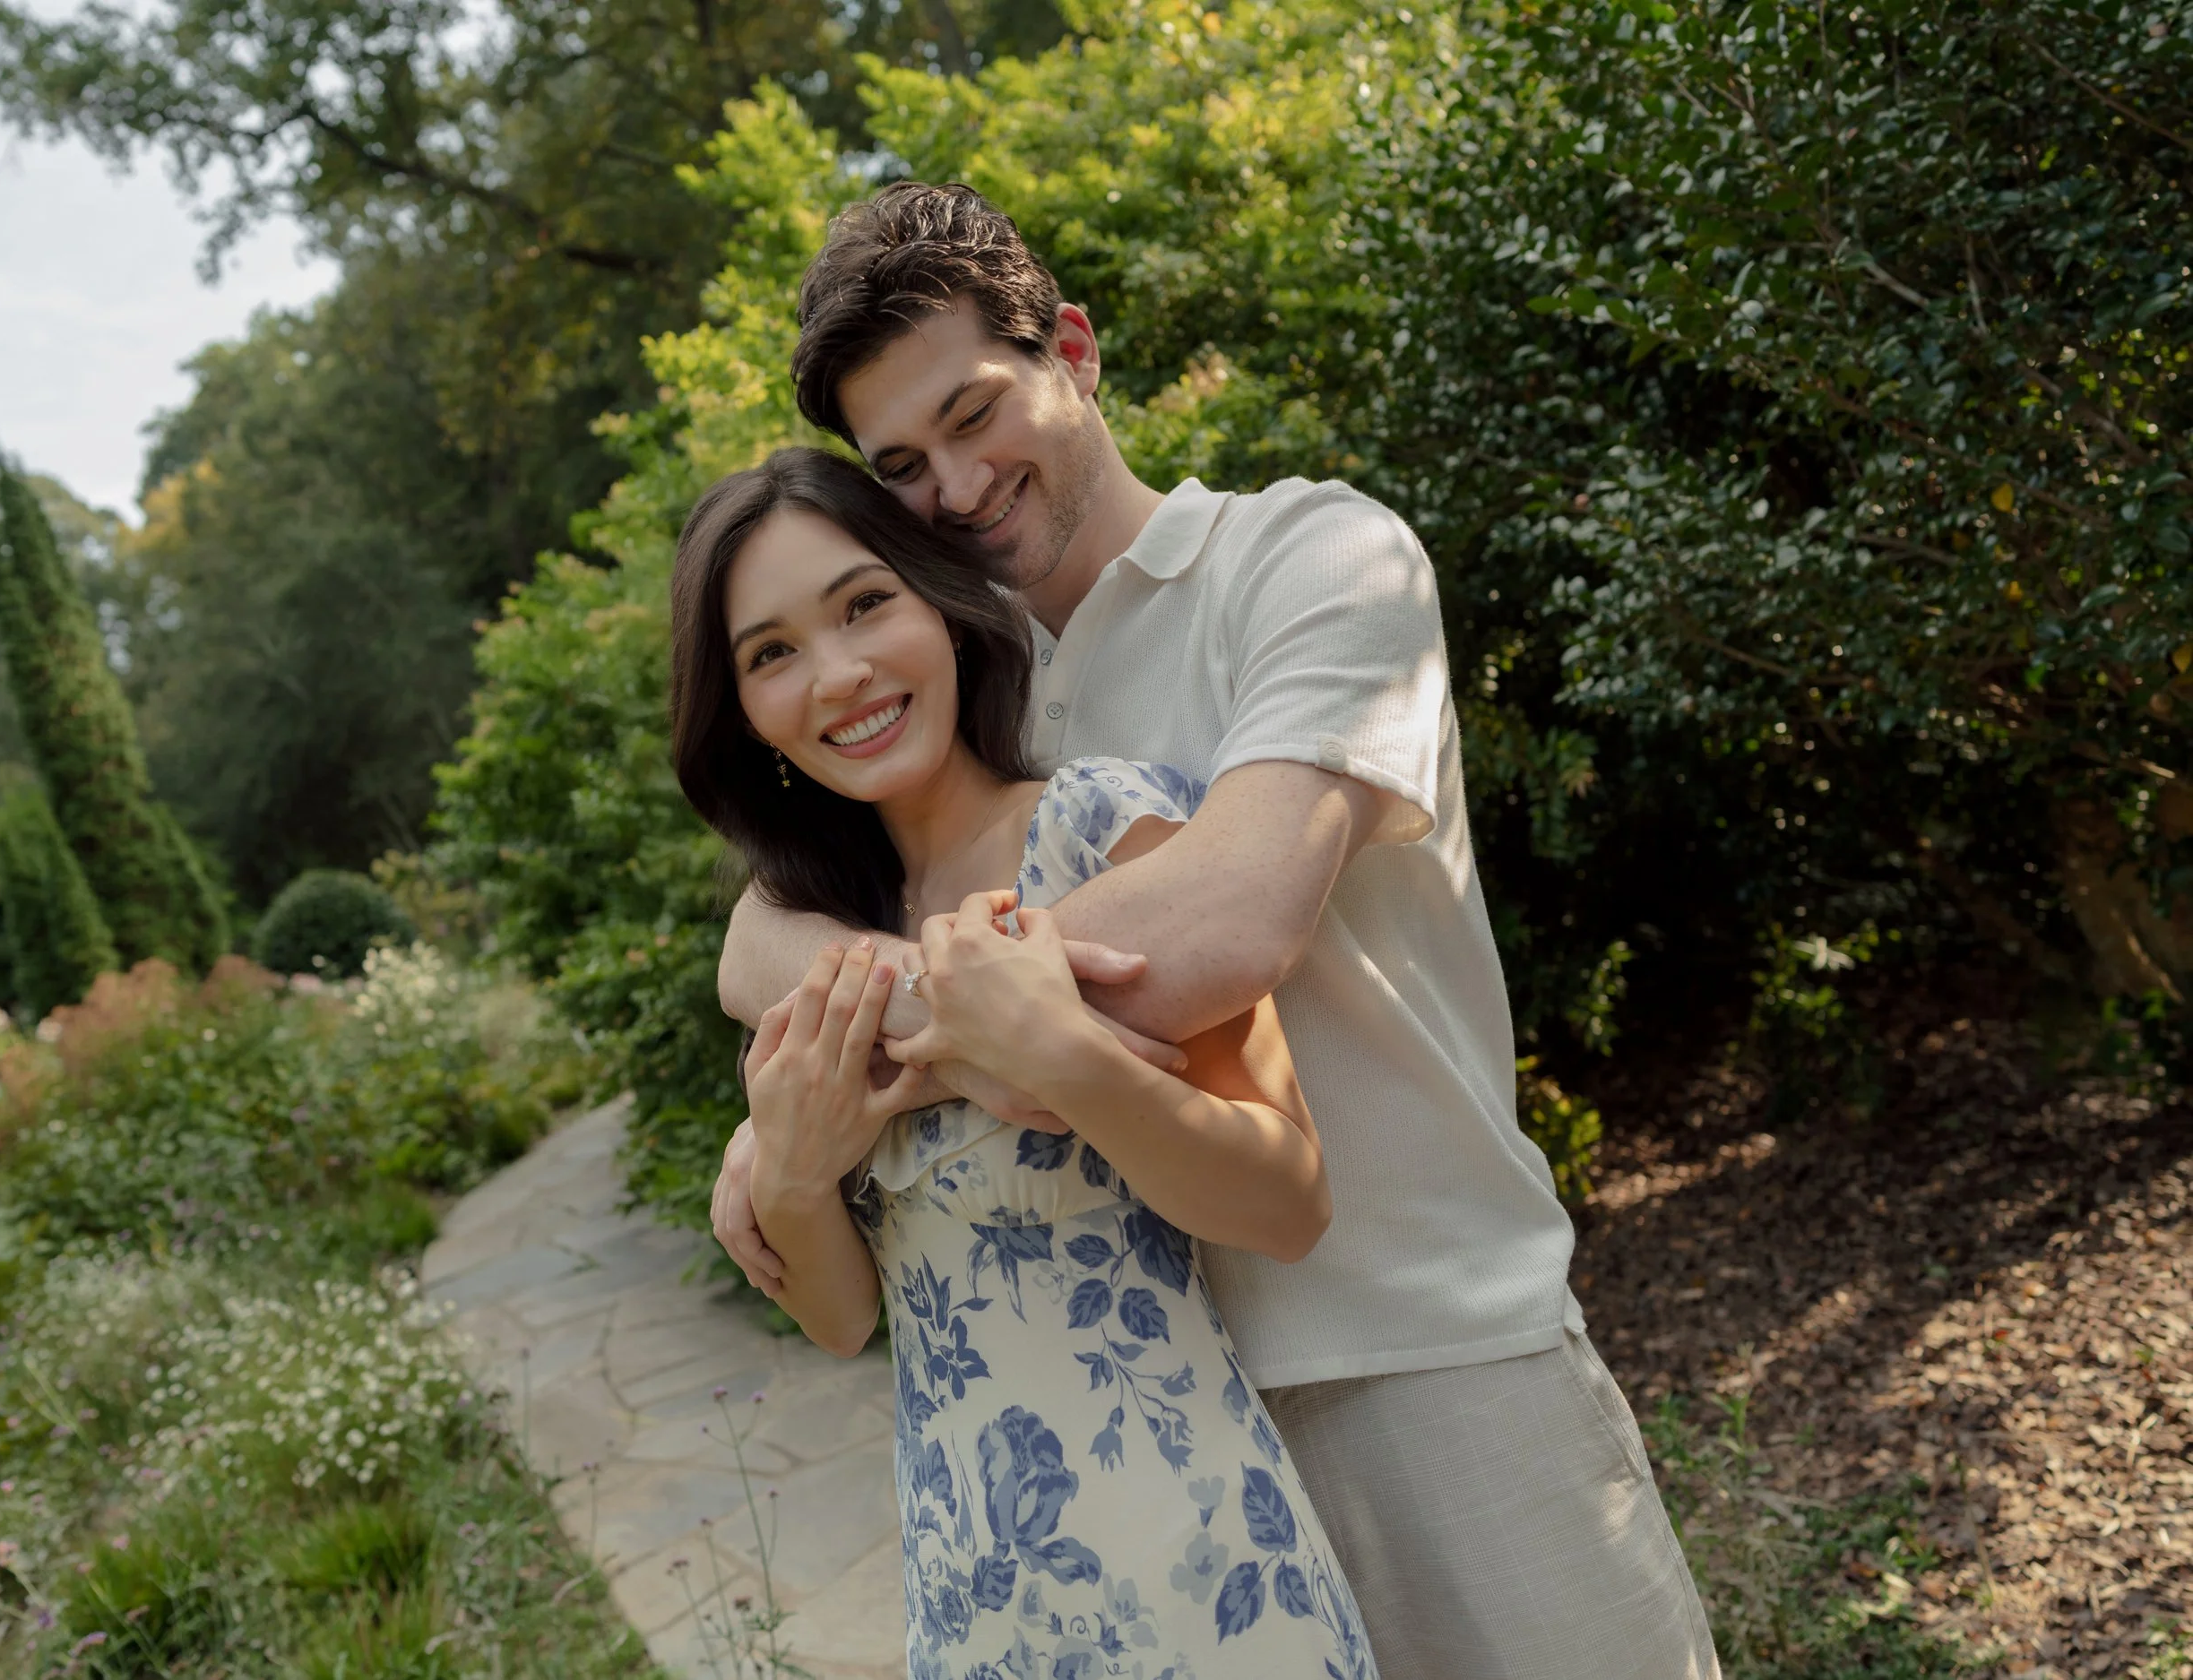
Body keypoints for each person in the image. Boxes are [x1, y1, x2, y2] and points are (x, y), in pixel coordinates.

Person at [710, 183, 1721, 1679]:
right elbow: (762, 927)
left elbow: (1216, 932)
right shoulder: (971, 697)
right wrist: (805, 1045)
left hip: (1431, 1361)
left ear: (1074, 349)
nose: (958, 484)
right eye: (903, 464)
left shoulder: (1310, 563)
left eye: (977, 411)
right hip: (1170, 1447)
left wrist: (843, 1052)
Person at [669, 445, 1377, 1679]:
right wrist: (791, 1168)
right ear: (745, 714)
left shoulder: (1105, 828)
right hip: (974, 1600)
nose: (838, 674)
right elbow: (844, 1318)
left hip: (1203, 1577)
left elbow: (1289, 1201)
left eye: (864, 602)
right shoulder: (819, 943)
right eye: (772, 652)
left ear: (940, 603)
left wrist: (1057, 1052)